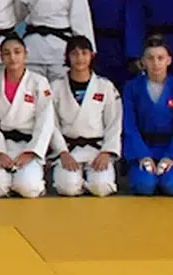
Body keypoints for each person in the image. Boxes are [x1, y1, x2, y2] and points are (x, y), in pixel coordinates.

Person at [0, 36, 54, 198]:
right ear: (1, 57)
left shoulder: (39, 82)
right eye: (7, 53)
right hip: (2, 145)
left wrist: (31, 152)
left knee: (28, 188)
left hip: (28, 144)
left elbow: (45, 121)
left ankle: (34, 181)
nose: (12, 57)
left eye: (17, 52)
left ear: (25, 55)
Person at [48, 36, 121, 197]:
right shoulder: (56, 87)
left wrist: (106, 152)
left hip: (97, 149)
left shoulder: (105, 86)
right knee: (67, 188)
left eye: (84, 53)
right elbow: (51, 124)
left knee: (102, 188)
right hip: (69, 149)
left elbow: (114, 123)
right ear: (67, 57)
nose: (79, 58)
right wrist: (62, 152)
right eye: (74, 53)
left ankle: (89, 181)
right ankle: (78, 181)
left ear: (92, 56)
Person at [122, 36, 173, 197]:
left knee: (172, 186)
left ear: (169, 60)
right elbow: (129, 125)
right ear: (143, 61)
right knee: (144, 186)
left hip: (170, 148)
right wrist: (142, 155)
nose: (155, 63)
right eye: (150, 58)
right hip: (143, 147)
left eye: (160, 58)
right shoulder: (132, 88)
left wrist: (172, 156)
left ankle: (171, 172)